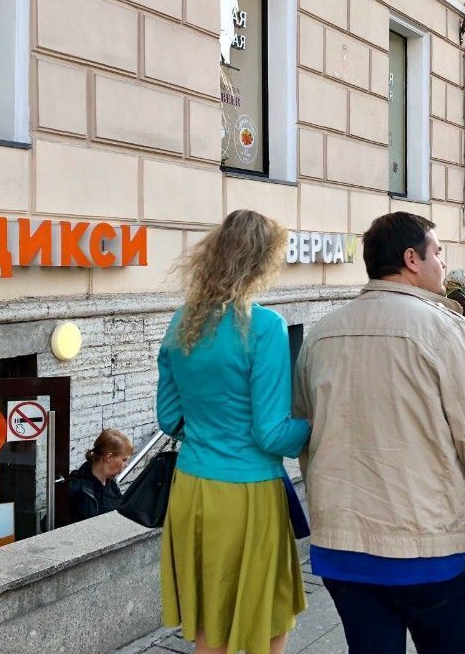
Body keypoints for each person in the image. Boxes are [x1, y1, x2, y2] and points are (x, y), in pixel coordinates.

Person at [295, 212, 465, 654]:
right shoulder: (447, 329)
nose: (442, 261)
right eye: (437, 251)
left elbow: (307, 437)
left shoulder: (321, 334)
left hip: (343, 551)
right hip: (427, 551)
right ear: (411, 259)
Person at [156, 209, 312, 654]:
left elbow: (169, 418)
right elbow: (271, 433)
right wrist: (311, 428)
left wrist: (212, 431)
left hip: (192, 489)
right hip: (247, 493)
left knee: (210, 621)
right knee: (270, 613)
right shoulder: (265, 327)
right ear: (263, 263)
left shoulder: (182, 322)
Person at [68, 428, 134, 521]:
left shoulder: (111, 482)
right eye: (124, 460)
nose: (126, 465)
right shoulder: (76, 487)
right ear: (109, 457)